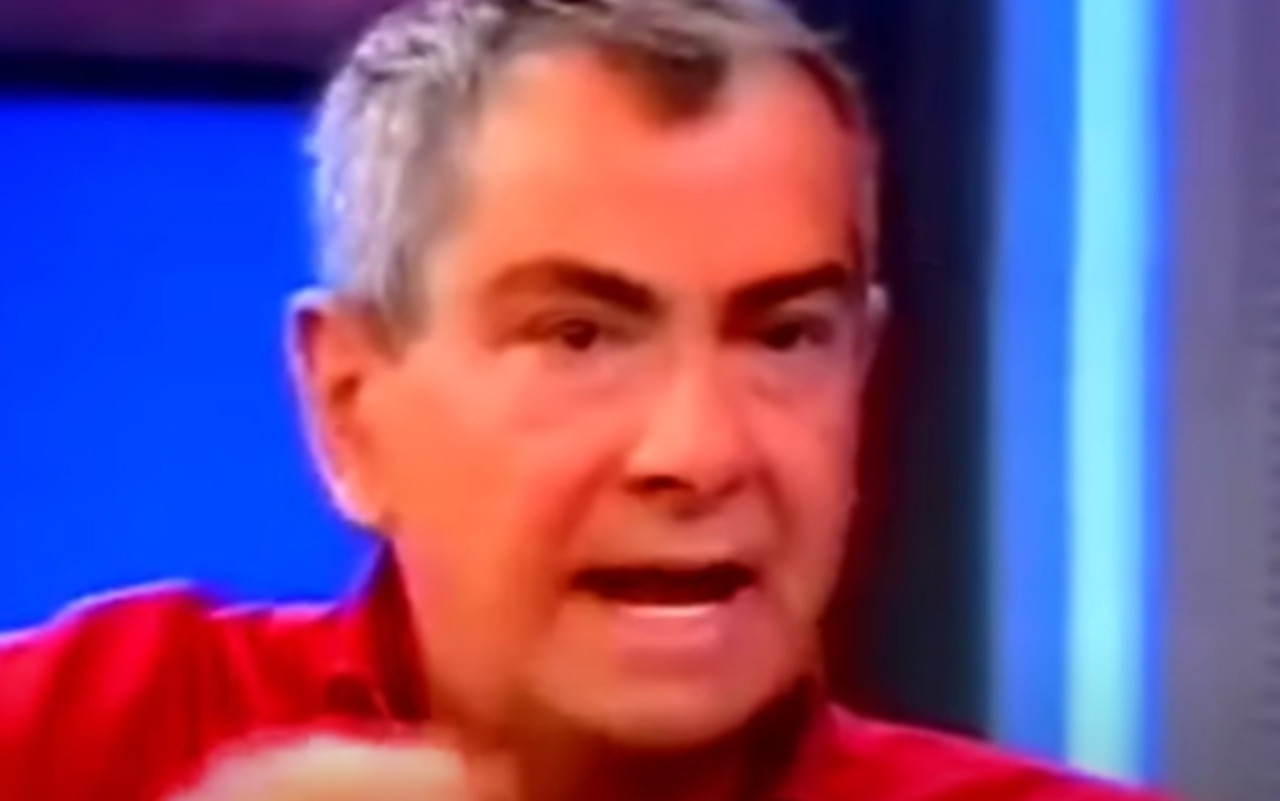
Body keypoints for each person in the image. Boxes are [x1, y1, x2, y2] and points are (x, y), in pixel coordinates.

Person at [0, 0, 1171, 799]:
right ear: (348, 406)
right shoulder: (92, 739)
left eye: (783, 336)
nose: (698, 451)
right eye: (579, 336)